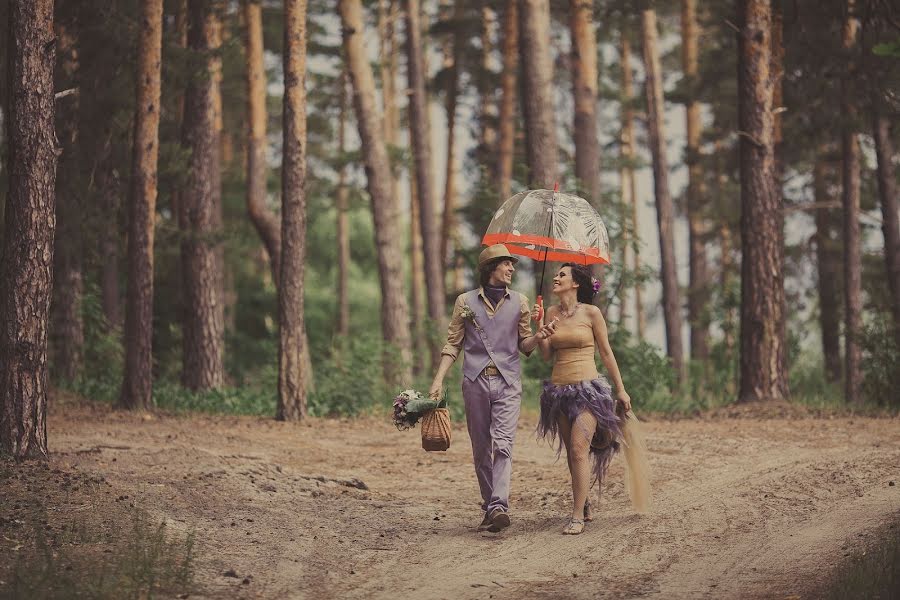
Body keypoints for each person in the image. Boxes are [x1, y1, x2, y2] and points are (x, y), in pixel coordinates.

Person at [430, 244, 544, 533]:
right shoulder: (465, 302)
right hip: (474, 382)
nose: (512, 269)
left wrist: (540, 334)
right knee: (481, 447)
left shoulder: (520, 301)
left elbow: (525, 345)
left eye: (512, 264)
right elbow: (453, 343)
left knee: (503, 444)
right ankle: (489, 505)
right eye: (506, 264)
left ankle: (498, 506)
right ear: (491, 268)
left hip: (508, 383)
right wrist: (438, 380)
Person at [532, 263, 650, 535]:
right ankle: (582, 502)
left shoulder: (592, 313)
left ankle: (576, 516)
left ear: (576, 283)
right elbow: (547, 355)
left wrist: (620, 389)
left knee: (577, 449)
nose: (556, 277)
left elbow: (606, 353)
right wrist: (540, 328)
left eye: (562, 274)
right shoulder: (551, 312)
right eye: (556, 274)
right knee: (573, 456)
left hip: (588, 391)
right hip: (558, 392)